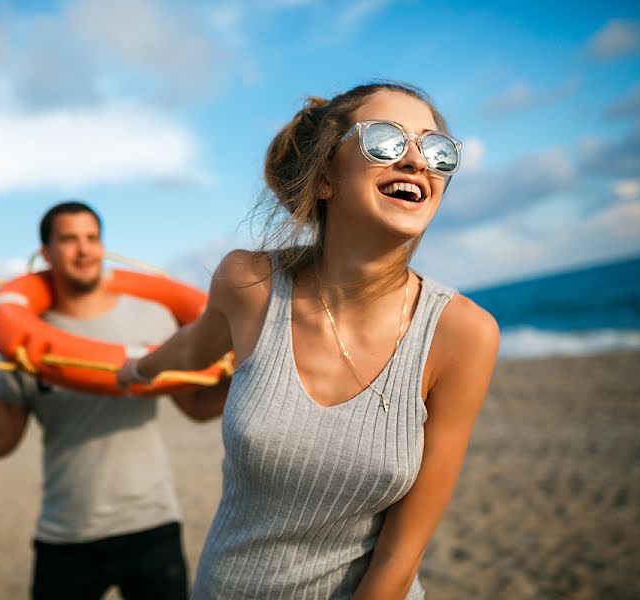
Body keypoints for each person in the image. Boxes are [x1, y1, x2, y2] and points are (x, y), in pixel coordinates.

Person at [117, 82, 500, 599]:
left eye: (435, 150)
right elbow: (191, 348)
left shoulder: (463, 333)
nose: (416, 161)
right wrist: (136, 369)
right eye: (385, 141)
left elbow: (401, 554)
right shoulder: (248, 283)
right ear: (325, 178)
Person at [0, 201, 228, 600]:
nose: (83, 250)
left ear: (103, 247)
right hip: (65, 533)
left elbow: (194, 407)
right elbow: (0, 443)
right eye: (69, 240)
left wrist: (246, 365)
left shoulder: (153, 317)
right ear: (46, 254)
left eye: (91, 238)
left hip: (151, 524)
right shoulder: (21, 339)